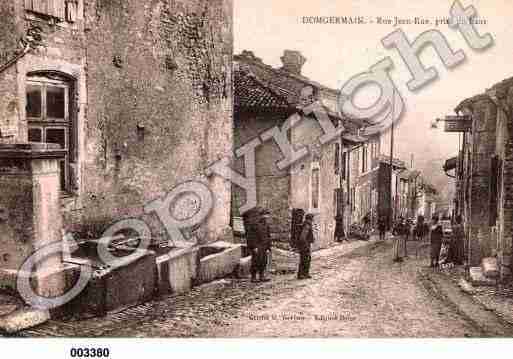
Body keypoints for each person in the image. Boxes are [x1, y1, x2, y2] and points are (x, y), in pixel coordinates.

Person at [253, 208, 272, 282]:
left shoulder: (266, 225)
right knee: (256, 261)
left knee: (264, 261)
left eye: (267, 215)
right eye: (265, 215)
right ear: (261, 215)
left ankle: (262, 276)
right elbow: (252, 236)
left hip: (264, 246)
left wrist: (268, 247)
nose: (266, 217)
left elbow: (268, 236)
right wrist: (254, 246)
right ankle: (253, 277)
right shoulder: (255, 224)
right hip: (258, 246)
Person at [297, 213, 315, 279]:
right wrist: (306, 245)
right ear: (310, 219)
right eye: (312, 218)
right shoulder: (307, 225)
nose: (313, 219)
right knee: (305, 259)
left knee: (305, 259)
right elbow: (303, 237)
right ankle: (303, 274)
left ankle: (304, 274)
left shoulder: (306, 224)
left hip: (304, 245)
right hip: (305, 245)